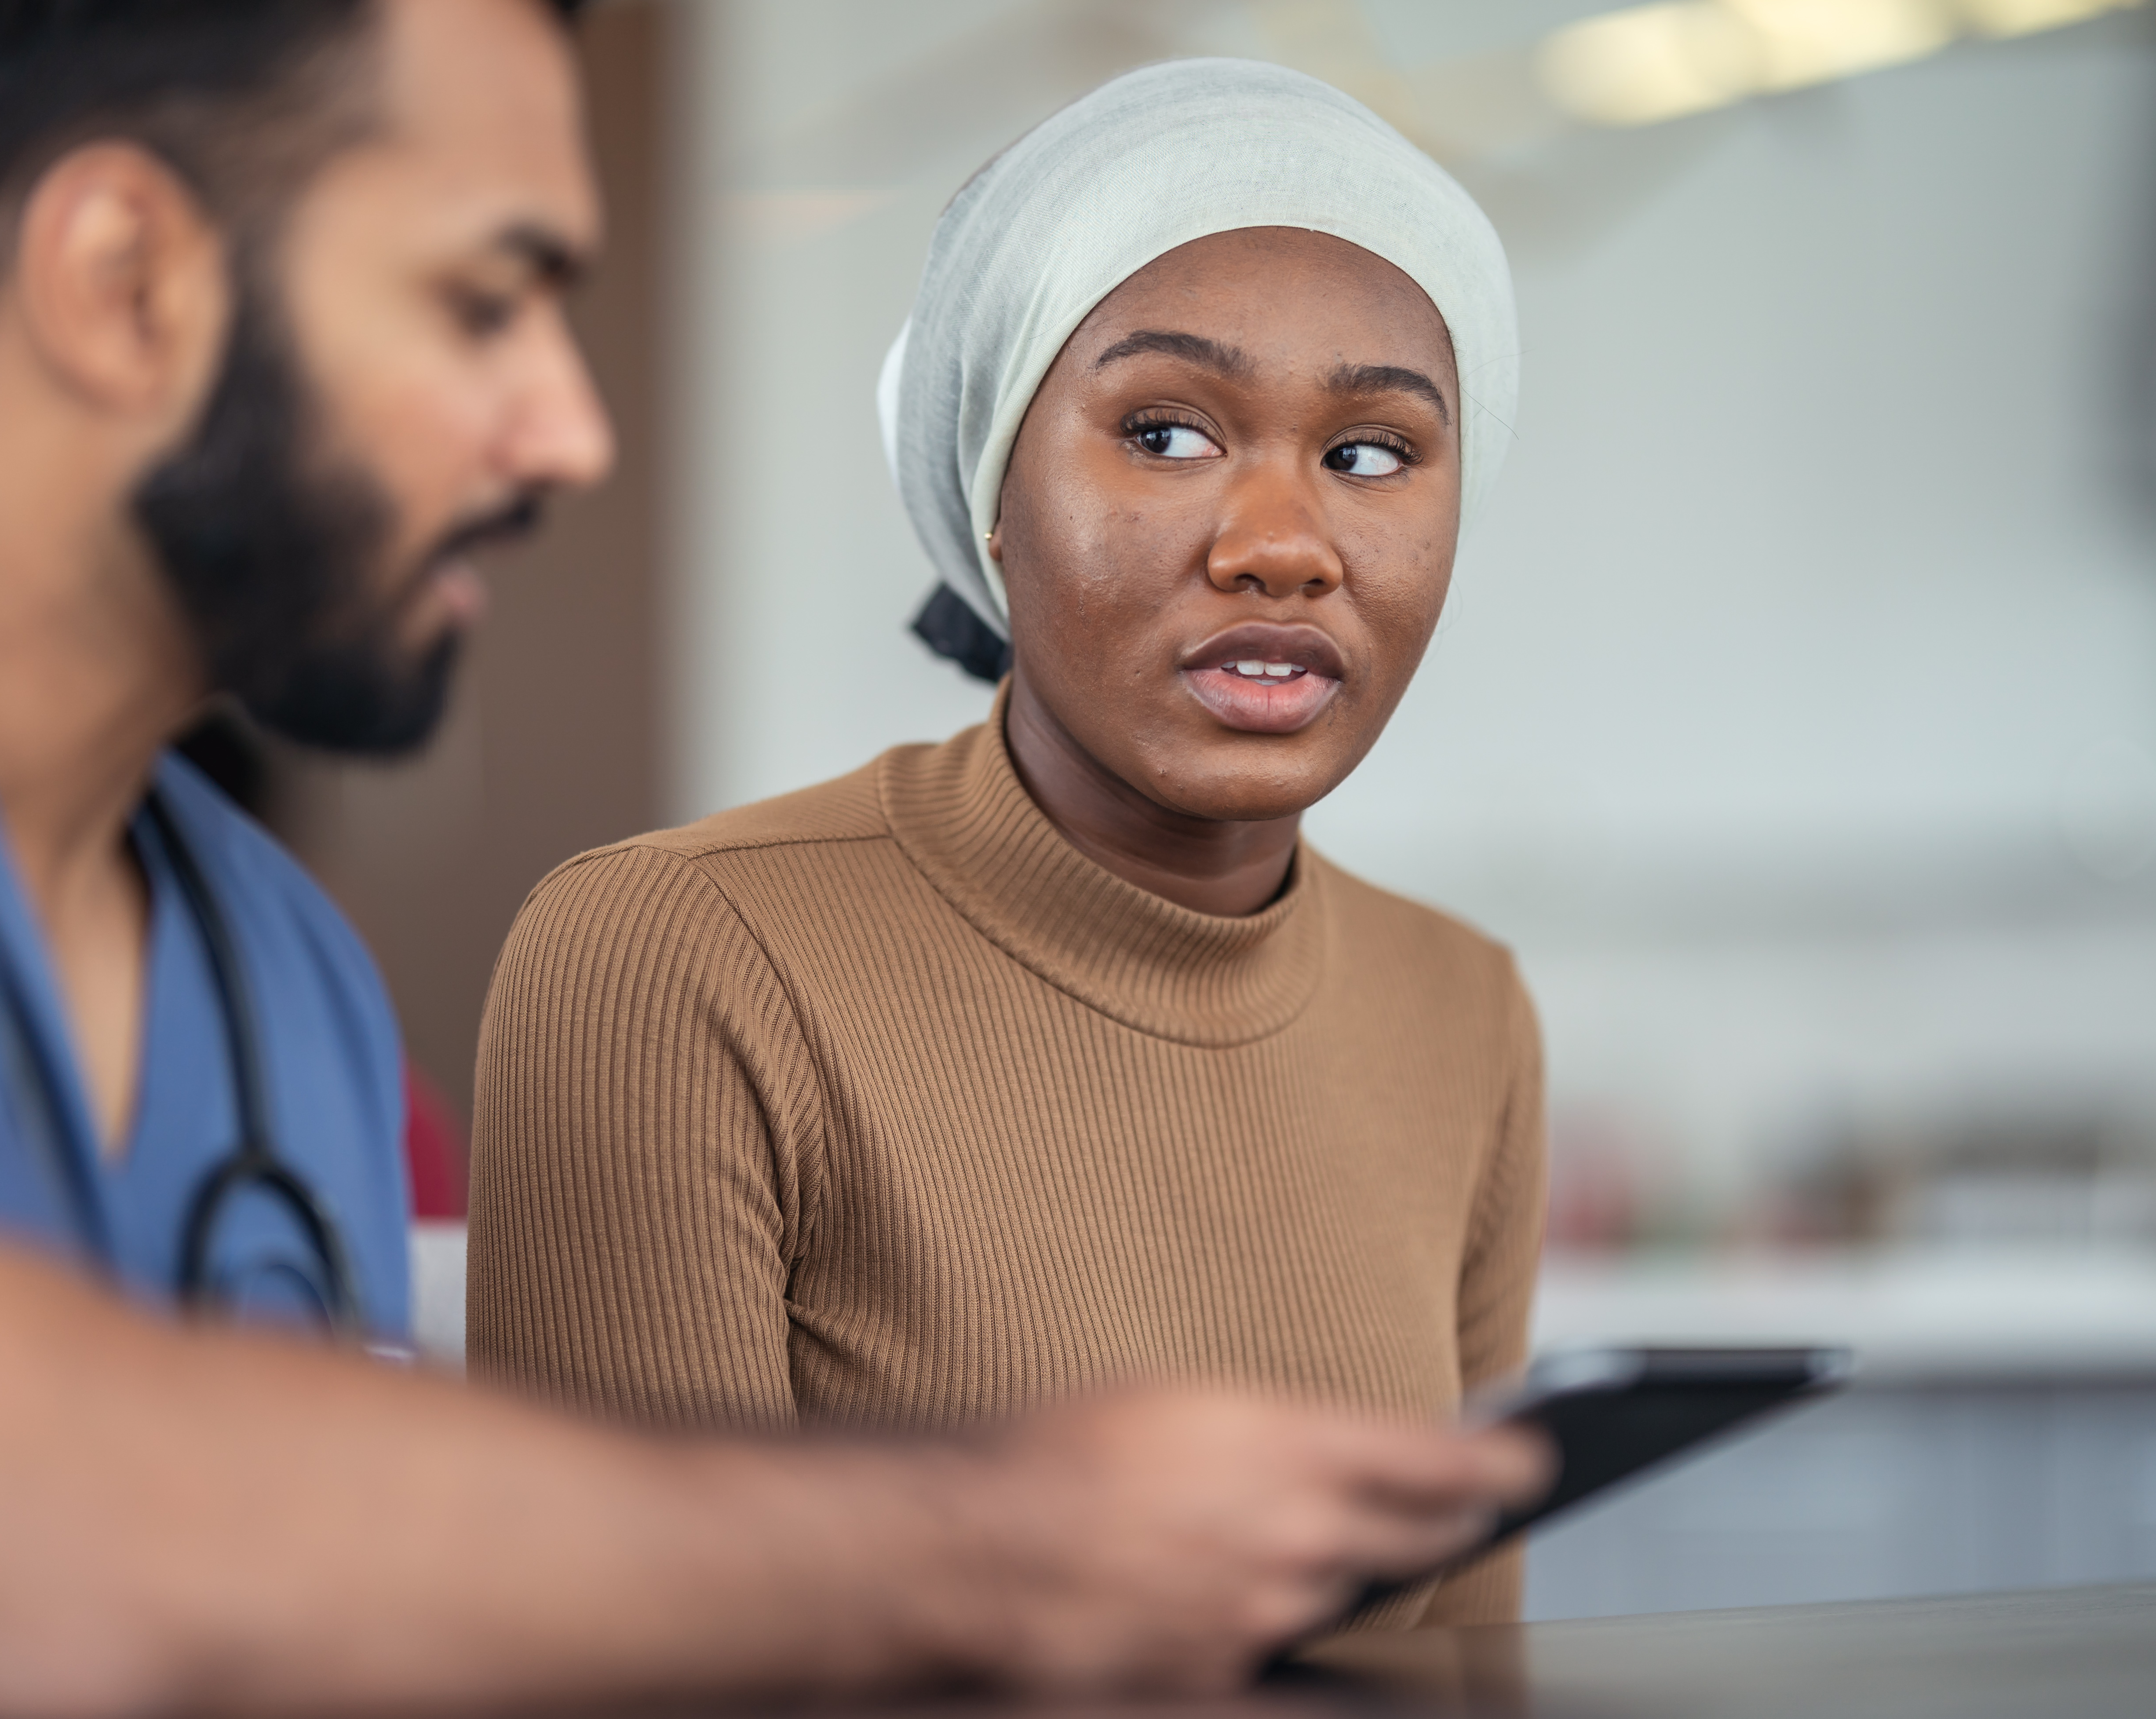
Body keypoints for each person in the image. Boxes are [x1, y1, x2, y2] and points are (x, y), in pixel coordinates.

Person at [0, 7, 1558, 1715]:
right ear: (122, 279)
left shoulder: (275, 973)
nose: (568, 432)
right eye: (479, 302)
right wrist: (1019, 1538)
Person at [469, 58, 1546, 1629]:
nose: (1282, 546)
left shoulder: (1464, 1015)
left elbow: (1464, 1664)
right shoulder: (678, 959)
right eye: (1167, 433)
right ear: (997, 498)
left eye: (1373, 455)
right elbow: (625, 1665)